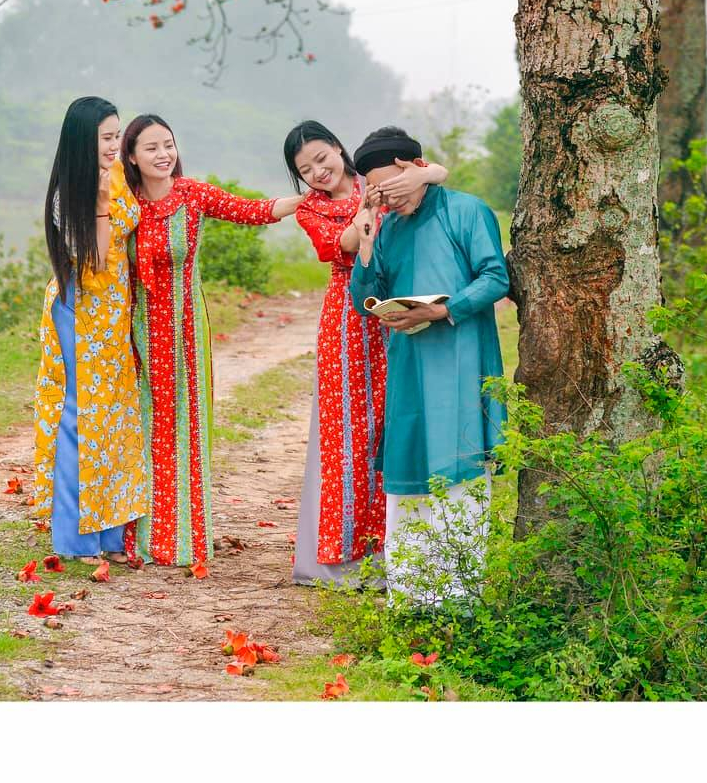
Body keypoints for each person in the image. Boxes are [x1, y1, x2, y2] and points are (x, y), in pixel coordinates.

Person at [121, 114, 307, 567]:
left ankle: (183, 540)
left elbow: (252, 211)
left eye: (168, 144)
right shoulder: (124, 203)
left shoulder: (192, 194)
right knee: (144, 428)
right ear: (131, 157)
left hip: (186, 331)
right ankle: (138, 537)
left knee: (186, 429)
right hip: (137, 331)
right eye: (151, 148)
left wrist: (312, 198)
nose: (164, 154)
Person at [347, 125, 509, 607]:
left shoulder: (466, 211)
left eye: (387, 184)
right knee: (410, 469)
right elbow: (364, 301)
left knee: (458, 467)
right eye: (374, 189)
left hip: (461, 356)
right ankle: (412, 596)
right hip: (409, 365)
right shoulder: (387, 227)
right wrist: (368, 245)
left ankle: (459, 598)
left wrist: (441, 309)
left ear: (414, 169)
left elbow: (495, 276)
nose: (384, 197)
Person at [282, 121, 447, 586]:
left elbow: (435, 171)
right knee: (348, 433)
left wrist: (422, 175)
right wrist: (365, 213)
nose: (318, 171)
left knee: (391, 424)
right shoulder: (311, 210)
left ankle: (397, 544)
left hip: (397, 305)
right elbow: (345, 246)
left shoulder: (371, 178)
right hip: (347, 320)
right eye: (305, 168)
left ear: (339, 148)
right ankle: (348, 554)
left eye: (322, 157)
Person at [32, 96, 147, 567]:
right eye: (106, 137)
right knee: (81, 419)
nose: (114, 145)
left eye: (117, 135)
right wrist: (99, 204)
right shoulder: (69, 196)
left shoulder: (117, 177)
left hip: (116, 316)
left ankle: (112, 536)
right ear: (83, 140)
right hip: (81, 313)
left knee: (117, 420)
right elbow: (96, 264)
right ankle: (76, 538)